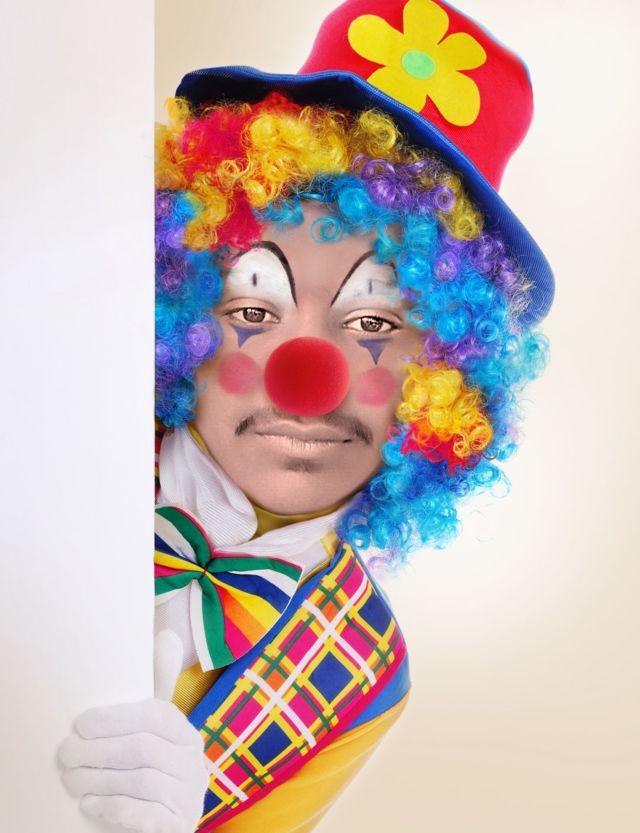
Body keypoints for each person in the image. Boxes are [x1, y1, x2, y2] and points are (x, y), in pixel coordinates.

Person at [58, 2, 553, 832]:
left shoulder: (361, 674)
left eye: (375, 323)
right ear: (184, 300)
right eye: (257, 305)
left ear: (441, 384)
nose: (306, 376)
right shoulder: (54, 446)